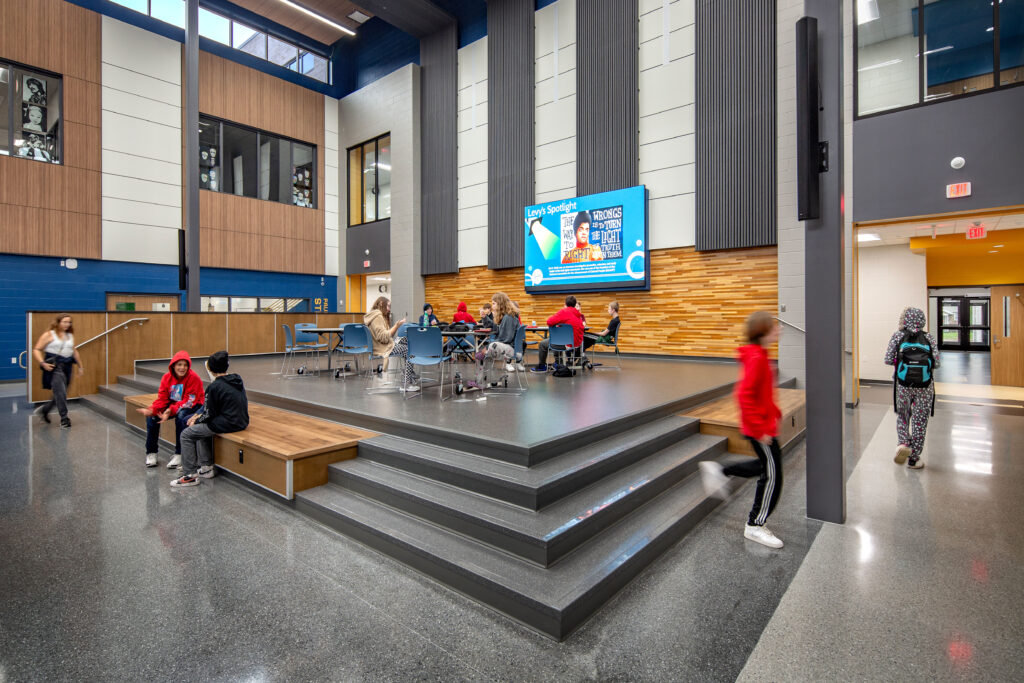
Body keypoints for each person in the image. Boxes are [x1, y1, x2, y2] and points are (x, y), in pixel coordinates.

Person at [698, 311, 785, 549]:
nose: (779, 329)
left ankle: (721, 470)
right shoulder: (757, 358)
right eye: (774, 326)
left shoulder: (760, 355)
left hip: (763, 424)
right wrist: (760, 428)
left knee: (766, 467)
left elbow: (761, 393)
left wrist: (774, 411)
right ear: (764, 331)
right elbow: (744, 395)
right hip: (759, 428)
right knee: (773, 475)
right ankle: (755, 525)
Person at [171, 351, 249, 488]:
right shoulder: (237, 379)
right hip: (241, 421)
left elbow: (208, 414)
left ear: (211, 370)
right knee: (200, 428)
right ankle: (206, 467)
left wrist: (196, 420)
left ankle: (190, 475)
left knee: (186, 434)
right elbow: (213, 408)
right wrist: (198, 417)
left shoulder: (214, 387)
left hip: (228, 423)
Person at [884, 306, 939, 470]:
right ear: (922, 320)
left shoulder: (898, 336)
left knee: (903, 415)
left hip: (903, 385)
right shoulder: (929, 337)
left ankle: (903, 443)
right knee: (920, 421)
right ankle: (914, 459)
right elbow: (937, 362)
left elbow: (887, 359)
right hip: (925, 386)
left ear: (905, 319)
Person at [136, 351, 205, 469]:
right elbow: (162, 399)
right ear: (173, 365)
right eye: (179, 364)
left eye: (185, 365)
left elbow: (189, 401)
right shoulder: (166, 377)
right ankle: (151, 453)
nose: (182, 368)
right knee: (152, 417)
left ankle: (179, 453)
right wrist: (152, 409)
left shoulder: (194, 378)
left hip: (192, 404)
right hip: (174, 403)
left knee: (181, 416)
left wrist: (170, 411)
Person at [33, 314, 84, 428]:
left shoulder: (69, 335)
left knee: (62, 392)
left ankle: (45, 410)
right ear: (58, 322)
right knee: (60, 392)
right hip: (55, 367)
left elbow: (74, 351)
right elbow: (36, 349)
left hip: (68, 366)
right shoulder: (49, 334)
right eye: (64, 322)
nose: (67, 324)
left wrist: (80, 366)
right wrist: (43, 363)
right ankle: (64, 419)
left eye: (69, 322)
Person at [364, 296, 418, 391]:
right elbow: (384, 338)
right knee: (410, 350)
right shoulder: (377, 317)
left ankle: (410, 373)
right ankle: (407, 383)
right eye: (388, 306)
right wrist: (396, 326)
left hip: (381, 346)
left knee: (405, 340)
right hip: (384, 348)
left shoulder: (372, 315)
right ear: (381, 303)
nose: (389, 309)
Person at [473, 292, 520, 386]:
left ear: (500, 303)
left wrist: (488, 346)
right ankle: (483, 380)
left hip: (511, 349)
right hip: (509, 347)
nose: (492, 306)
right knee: (482, 353)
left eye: (494, 303)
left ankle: (480, 381)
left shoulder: (508, 317)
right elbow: (493, 326)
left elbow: (506, 338)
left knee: (483, 352)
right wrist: (484, 317)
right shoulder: (506, 316)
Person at [531, 295, 585, 372]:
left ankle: (542, 366)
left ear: (565, 303)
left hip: (565, 343)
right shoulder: (578, 315)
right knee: (557, 339)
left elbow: (549, 322)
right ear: (575, 304)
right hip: (576, 343)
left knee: (543, 344)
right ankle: (558, 363)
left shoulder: (564, 311)